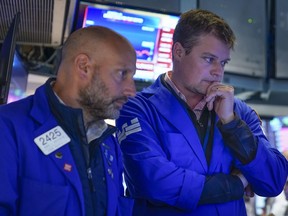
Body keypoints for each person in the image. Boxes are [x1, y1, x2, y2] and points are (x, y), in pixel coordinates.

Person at [115, 9, 288, 216]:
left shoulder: (237, 112)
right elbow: (154, 182)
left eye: (223, 62)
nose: (218, 71)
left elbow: (273, 181)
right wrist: (238, 183)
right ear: (178, 52)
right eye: (209, 59)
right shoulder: (138, 108)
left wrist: (231, 124)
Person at [0, 26, 136, 216]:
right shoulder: (7, 128)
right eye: (122, 74)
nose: (132, 91)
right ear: (83, 67)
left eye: (132, 77)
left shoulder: (109, 143)